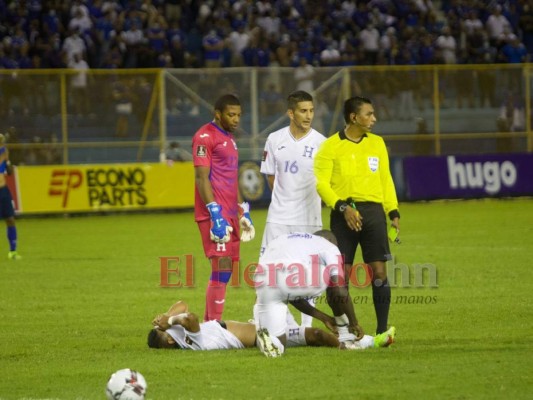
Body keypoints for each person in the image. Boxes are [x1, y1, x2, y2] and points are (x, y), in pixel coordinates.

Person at [314, 96, 400, 335]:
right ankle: (346, 329)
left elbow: (385, 179)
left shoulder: (377, 143)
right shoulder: (330, 146)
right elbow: (321, 184)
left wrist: (392, 210)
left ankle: (382, 331)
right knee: (341, 277)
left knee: (379, 272)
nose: (374, 118)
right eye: (369, 114)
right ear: (354, 117)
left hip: (373, 213)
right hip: (343, 213)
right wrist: (343, 207)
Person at [253, 230, 396, 351]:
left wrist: (324, 318)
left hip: (262, 279)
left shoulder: (287, 239)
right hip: (292, 276)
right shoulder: (329, 246)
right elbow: (340, 291)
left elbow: (291, 296)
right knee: (335, 279)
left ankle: (272, 341)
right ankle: (346, 333)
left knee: (278, 342)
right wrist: (354, 322)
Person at [260, 90, 326, 327]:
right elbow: (271, 178)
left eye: (311, 110)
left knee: (309, 273)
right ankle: (282, 323)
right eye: (303, 111)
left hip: (310, 218)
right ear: (290, 113)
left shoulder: (322, 143)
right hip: (278, 218)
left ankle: (307, 327)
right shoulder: (274, 139)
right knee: (270, 272)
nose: (308, 115)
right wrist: (284, 200)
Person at [192, 94, 255, 322]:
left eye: (238, 115)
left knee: (226, 271)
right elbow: (201, 178)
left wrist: (243, 210)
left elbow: (231, 178)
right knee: (221, 267)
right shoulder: (204, 136)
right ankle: (213, 325)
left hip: (230, 214)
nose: (236, 119)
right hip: (214, 215)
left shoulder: (229, 138)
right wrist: (214, 213)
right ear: (217, 114)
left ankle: (211, 325)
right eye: (231, 115)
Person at [148, 299, 395, 356]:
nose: (166, 327)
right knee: (276, 293)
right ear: (170, 340)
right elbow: (190, 315)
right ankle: (358, 343)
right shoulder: (188, 339)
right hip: (265, 332)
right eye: (164, 331)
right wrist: (170, 321)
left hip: (264, 328)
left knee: (318, 334)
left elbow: (181, 303)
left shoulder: (177, 335)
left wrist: (166, 316)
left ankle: (359, 344)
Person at [0, 134, 20, 260]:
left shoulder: (3, 152)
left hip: (3, 190)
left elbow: (9, 172)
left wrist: (8, 163)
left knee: (10, 219)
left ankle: (13, 251)